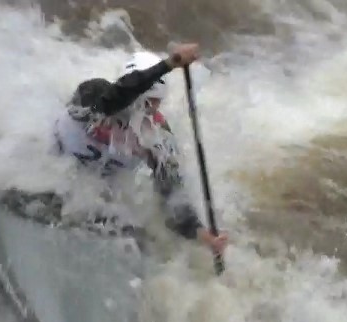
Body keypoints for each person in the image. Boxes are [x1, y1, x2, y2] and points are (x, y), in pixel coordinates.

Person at [52, 43, 228, 257]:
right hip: (49, 168)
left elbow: (172, 203)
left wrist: (206, 237)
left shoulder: (157, 137)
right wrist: (170, 63)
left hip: (90, 194)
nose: (148, 111)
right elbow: (122, 93)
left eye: (155, 103)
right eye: (145, 102)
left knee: (135, 237)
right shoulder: (93, 95)